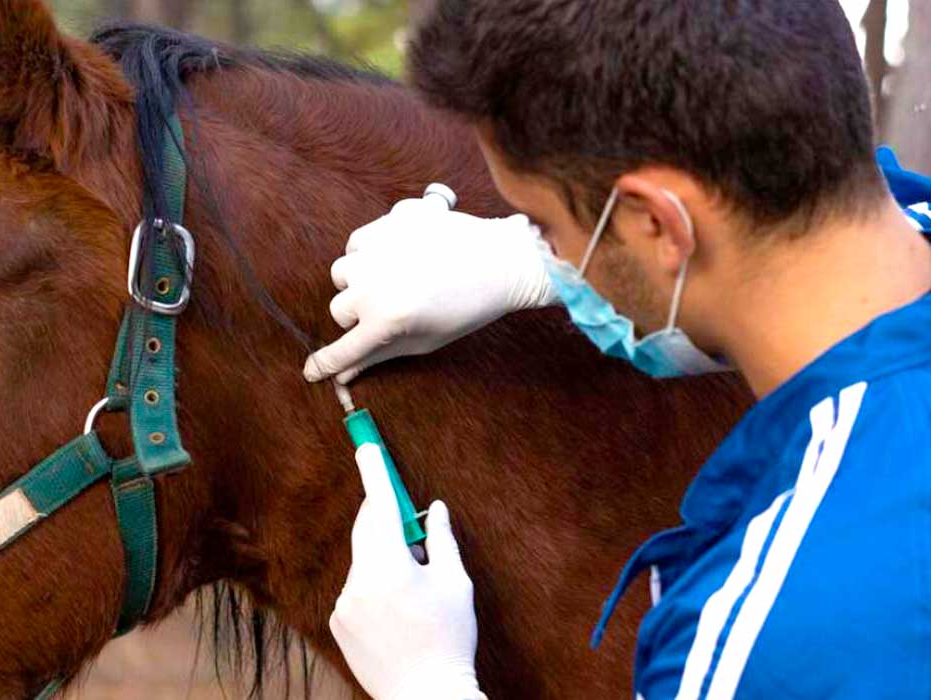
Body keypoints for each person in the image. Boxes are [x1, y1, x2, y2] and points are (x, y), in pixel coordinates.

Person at [306, 2, 931, 699]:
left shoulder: (763, 647)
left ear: (659, 223)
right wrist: (527, 261)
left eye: (541, 226)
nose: (544, 251)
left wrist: (430, 686)